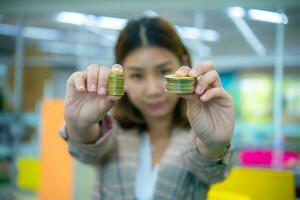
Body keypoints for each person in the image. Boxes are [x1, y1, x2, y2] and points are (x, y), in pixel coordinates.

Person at [60, 16, 235, 200]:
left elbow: (213, 173)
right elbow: (87, 152)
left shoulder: (202, 131)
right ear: (121, 76)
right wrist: (79, 125)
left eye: (163, 71)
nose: (152, 91)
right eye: (137, 75)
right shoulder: (110, 128)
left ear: (183, 63)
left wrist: (214, 145)